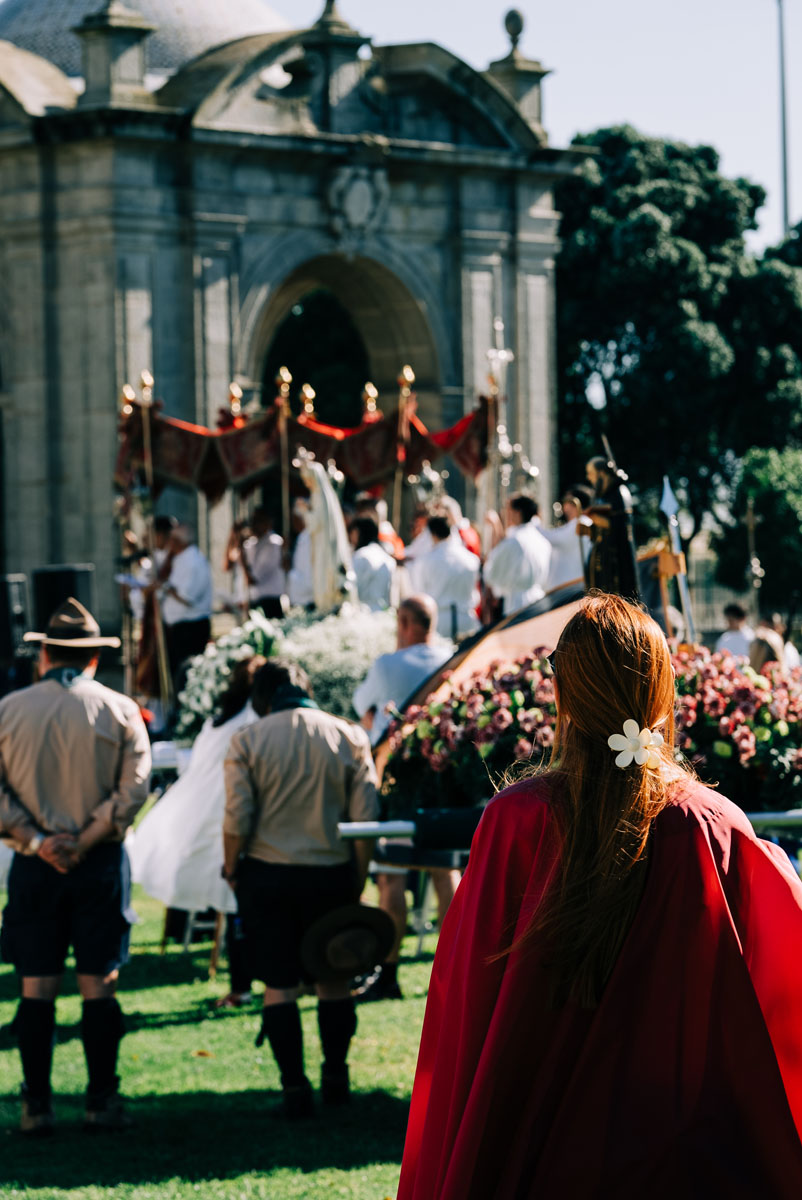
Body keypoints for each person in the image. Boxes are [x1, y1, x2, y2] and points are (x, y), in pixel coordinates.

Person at [397, 594, 802, 1199]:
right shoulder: (711, 824)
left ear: (560, 696)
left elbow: (466, 1002)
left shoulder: (517, 821)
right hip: (683, 1148)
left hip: (536, 1151)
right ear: (666, 694)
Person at [0, 598, 151, 1134]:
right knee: (98, 982)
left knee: (35, 985)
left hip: (35, 866)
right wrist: (85, 838)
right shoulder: (121, 709)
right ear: (92, 658)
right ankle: (100, 1100)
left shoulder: (9, 710)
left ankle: (36, 1105)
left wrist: (38, 838)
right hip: (98, 865)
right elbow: (135, 789)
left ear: (44, 652)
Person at [223, 659, 379, 1117]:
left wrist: (232, 866)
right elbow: (365, 819)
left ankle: (293, 1085)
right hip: (330, 871)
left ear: (262, 698)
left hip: (267, 873)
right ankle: (336, 1073)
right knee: (333, 979)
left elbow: (237, 816)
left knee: (278, 984)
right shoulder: (349, 736)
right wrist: (358, 877)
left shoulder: (247, 740)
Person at [128, 654, 267, 1008]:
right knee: (236, 901)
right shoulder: (254, 722)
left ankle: (242, 982)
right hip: (230, 816)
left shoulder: (216, 721)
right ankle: (246, 984)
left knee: (233, 901)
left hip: (205, 814)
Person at [352, 596, 457, 1001]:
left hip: (399, 780)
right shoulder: (452, 657)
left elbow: (365, 711)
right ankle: (451, 972)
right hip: (443, 779)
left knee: (391, 875)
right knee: (446, 874)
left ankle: (388, 973)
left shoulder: (387, 665)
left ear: (406, 622)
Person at [159, 523, 214, 686]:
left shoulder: (193, 561)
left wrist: (165, 586)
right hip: (180, 627)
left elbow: (186, 596)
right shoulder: (180, 559)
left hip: (191, 628)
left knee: (187, 675)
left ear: (178, 541)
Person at [483, 493, 551, 617]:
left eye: (507, 509)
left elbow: (491, 574)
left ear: (517, 513)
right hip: (539, 602)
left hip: (517, 606)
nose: (505, 514)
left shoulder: (514, 541)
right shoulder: (542, 540)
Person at [583, 456, 640, 599]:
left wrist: (602, 522)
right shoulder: (601, 496)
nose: (589, 478)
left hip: (616, 565)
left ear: (601, 473)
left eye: (591, 473)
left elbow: (621, 527)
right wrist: (589, 529)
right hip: (603, 562)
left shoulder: (619, 493)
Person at [415, 515, 479, 641]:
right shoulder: (470, 558)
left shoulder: (426, 561)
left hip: (439, 622)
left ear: (432, 534)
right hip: (467, 619)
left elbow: (420, 592)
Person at [540, 485, 593, 591]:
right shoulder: (580, 523)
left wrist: (534, 523)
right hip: (570, 584)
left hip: (569, 586)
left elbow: (552, 539)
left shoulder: (581, 523)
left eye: (566, 500)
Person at [350, 514, 396, 611]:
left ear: (359, 533)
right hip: (383, 612)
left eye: (352, 533)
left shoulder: (361, 556)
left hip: (363, 613)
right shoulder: (387, 557)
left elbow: (351, 588)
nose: (351, 537)